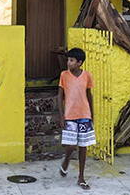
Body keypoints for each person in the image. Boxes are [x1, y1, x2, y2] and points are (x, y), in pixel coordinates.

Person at [58, 47, 96, 190]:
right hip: (69, 115)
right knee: (70, 145)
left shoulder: (87, 76)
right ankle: (66, 161)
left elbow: (89, 95)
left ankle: (81, 177)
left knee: (83, 146)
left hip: (84, 115)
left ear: (79, 62)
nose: (69, 62)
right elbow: (59, 96)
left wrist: (92, 115)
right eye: (68, 60)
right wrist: (61, 116)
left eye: (72, 60)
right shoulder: (64, 75)